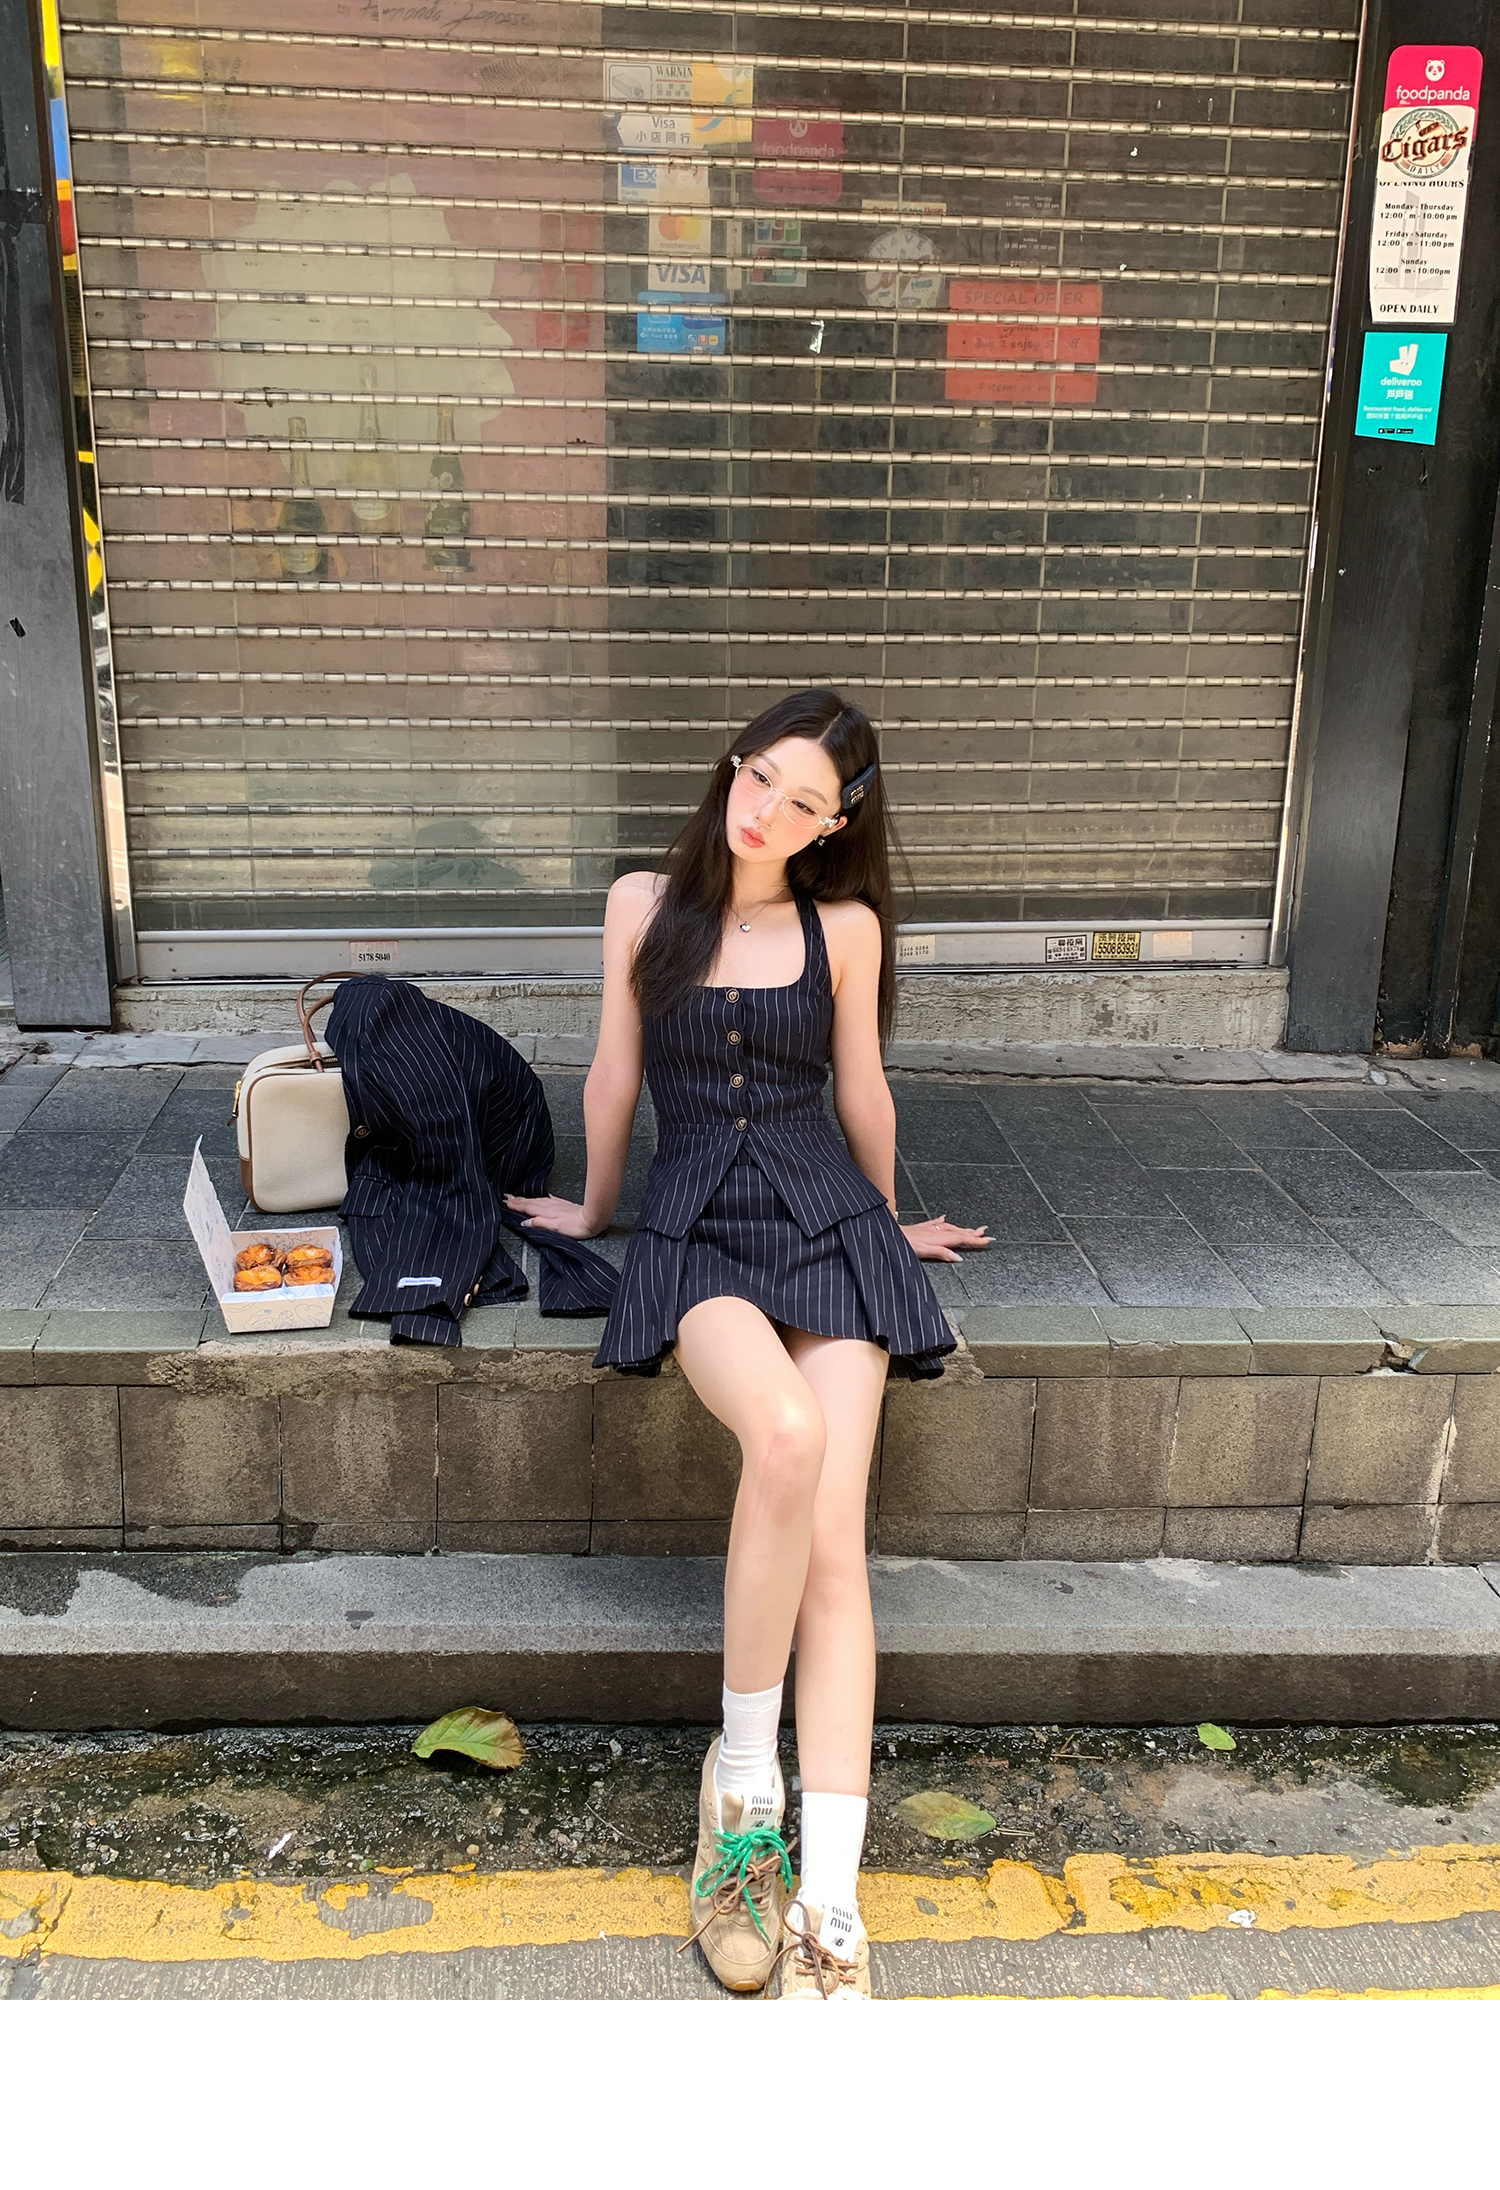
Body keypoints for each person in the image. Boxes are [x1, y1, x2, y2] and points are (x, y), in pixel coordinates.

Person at [507, 689, 990, 2000]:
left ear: (836, 826)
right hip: (698, 1234)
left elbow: (862, 1089)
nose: (766, 809)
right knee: (784, 1434)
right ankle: (740, 1795)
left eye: (802, 800)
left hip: (829, 1224)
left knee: (835, 1543)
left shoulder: (846, 928)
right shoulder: (641, 905)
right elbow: (613, 1075)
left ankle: (828, 1891)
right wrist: (591, 1209)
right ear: (733, 767)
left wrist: (892, 1223)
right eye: (758, 775)